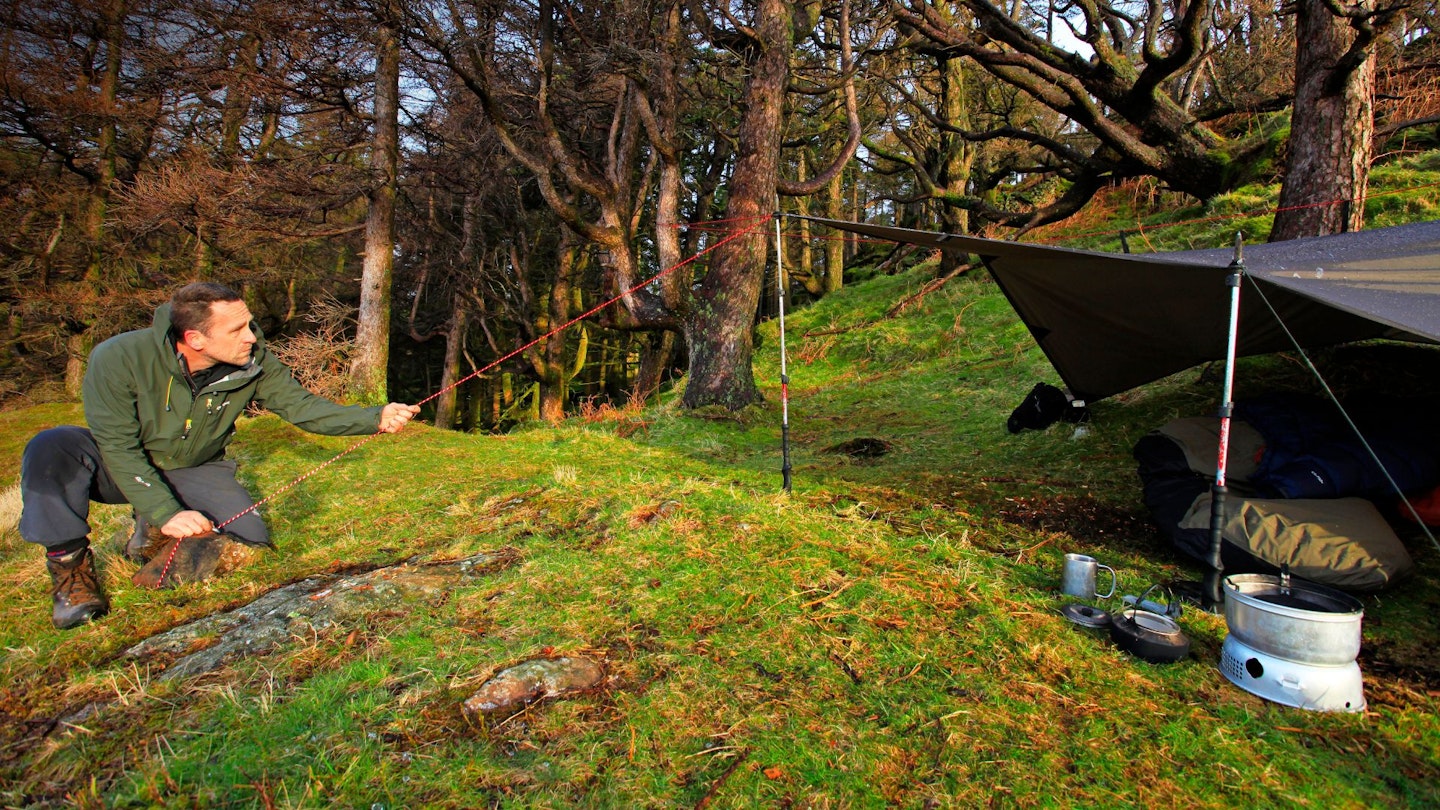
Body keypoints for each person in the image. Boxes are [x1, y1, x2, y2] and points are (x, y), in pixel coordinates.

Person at [19, 282, 421, 629]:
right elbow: (119, 447)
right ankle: (71, 575)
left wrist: (374, 416)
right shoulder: (119, 357)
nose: (251, 336)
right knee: (52, 447)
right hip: (117, 465)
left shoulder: (253, 360)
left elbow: (303, 408)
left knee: (246, 543)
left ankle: (149, 539)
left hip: (195, 467)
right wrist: (167, 511)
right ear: (196, 339)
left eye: (249, 323)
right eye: (238, 329)